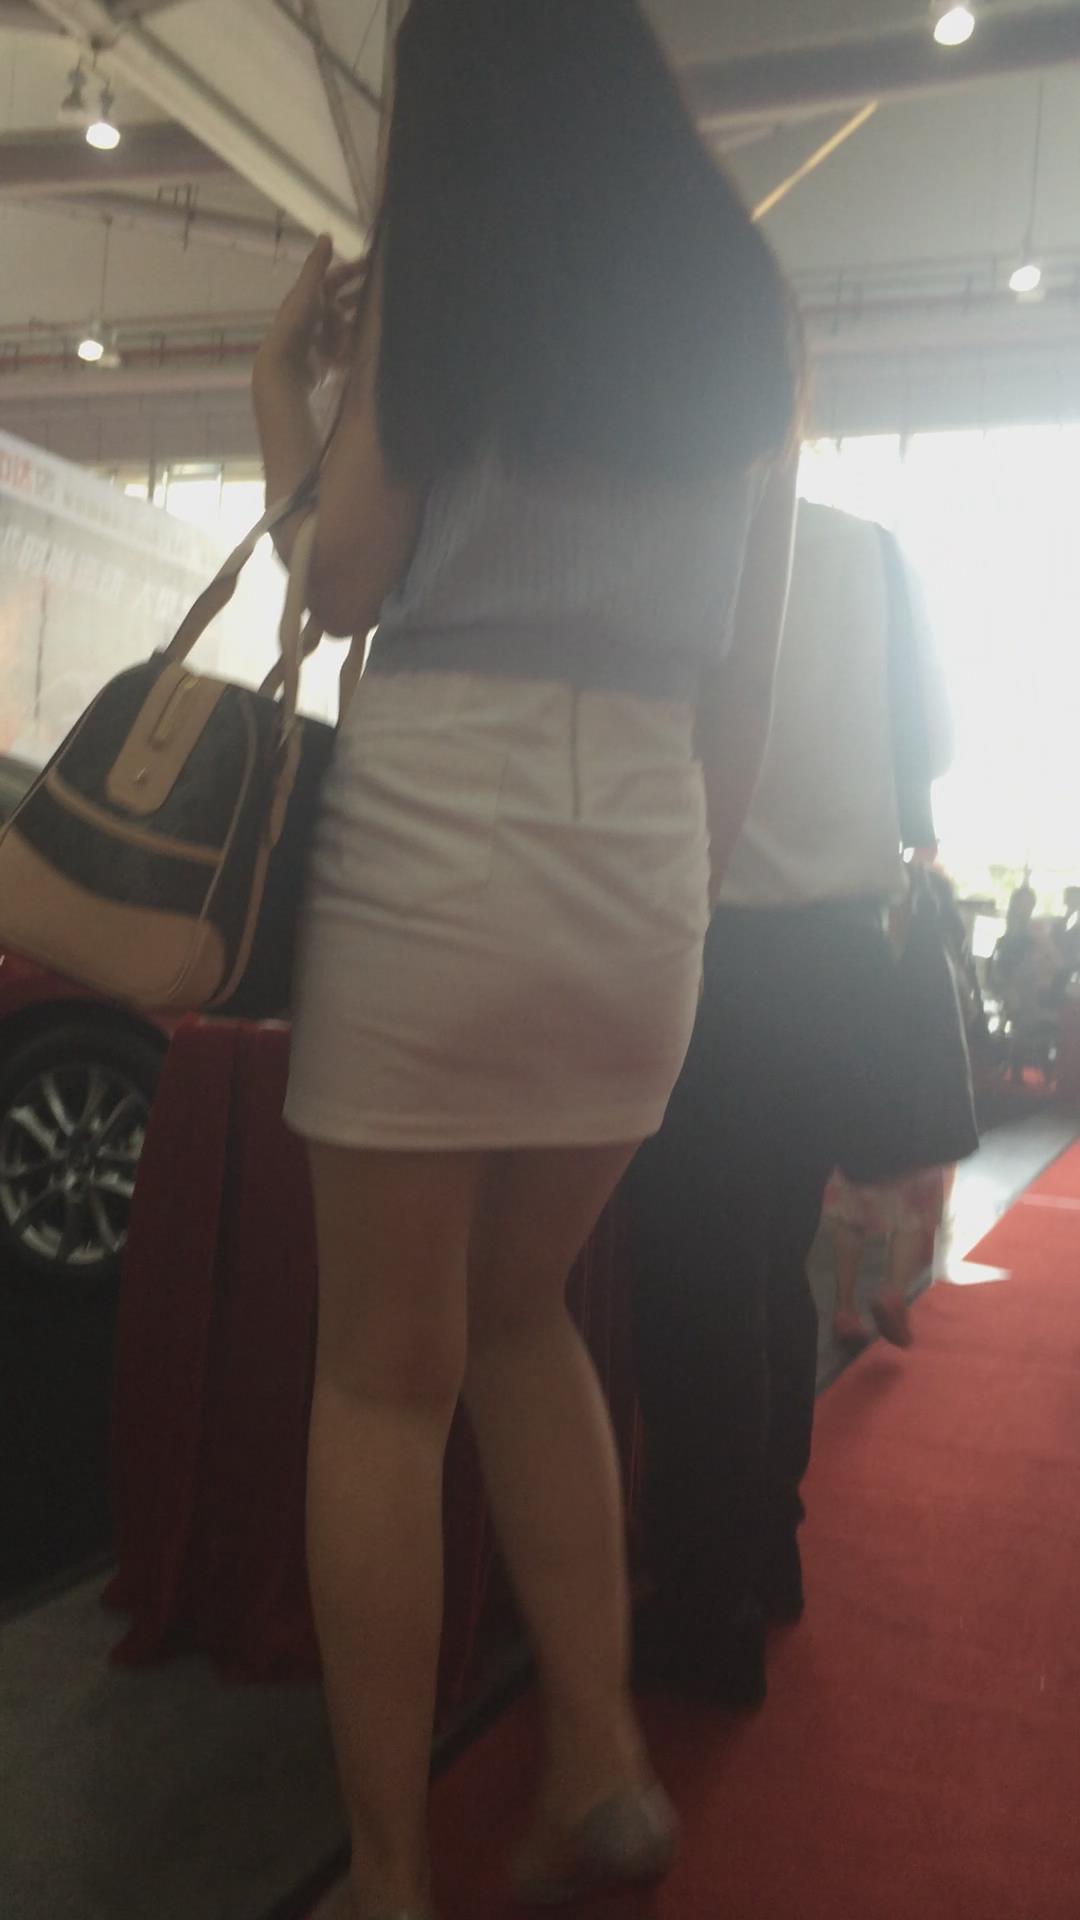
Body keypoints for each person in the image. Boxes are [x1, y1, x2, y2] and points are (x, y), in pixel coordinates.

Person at [251, 5, 800, 1916]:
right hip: (643, 842)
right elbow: (750, 666)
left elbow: (336, 580)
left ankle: (392, 1875)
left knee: (384, 1376)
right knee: (526, 1313)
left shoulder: (448, 262)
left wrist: (282, 396)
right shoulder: (747, 297)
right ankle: (598, 1763)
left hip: (444, 810)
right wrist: (680, 893)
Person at [627, 502, 952, 1710]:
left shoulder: (681, 525)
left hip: (712, 947)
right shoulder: (872, 550)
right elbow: (930, 747)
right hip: (839, 958)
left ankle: (702, 1609)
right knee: (776, 1260)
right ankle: (766, 1550)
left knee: (694, 1288)